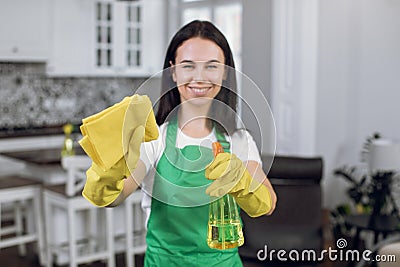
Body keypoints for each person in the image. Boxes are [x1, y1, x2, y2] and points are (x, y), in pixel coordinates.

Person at [79, 20, 277, 267]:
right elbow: (117, 196)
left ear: (225, 72)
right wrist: (109, 173)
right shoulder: (154, 139)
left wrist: (244, 182)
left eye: (212, 66)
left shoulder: (237, 139)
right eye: (188, 66)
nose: (199, 77)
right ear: (173, 72)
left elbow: (268, 202)